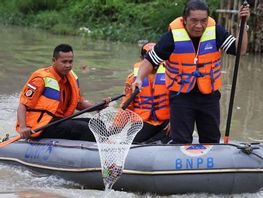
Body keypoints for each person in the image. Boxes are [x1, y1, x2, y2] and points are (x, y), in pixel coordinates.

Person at [132, 0, 251, 144]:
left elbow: (240, 50)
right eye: (194, 21)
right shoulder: (171, 37)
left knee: (211, 140)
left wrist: (243, 25)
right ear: (184, 20)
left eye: (203, 21)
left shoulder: (215, 31)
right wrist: (139, 79)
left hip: (209, 97)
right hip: (181, 97)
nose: (199, 26)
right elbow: (150, 61)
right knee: (181, 140)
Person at [16, 44, 111, 142]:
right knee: (85, 129)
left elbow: (79, 104)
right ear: (54, 61)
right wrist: (23, 128)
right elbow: (23, 105)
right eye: (64, 62)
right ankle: (97, 152)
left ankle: (108, 146)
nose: (68, 65)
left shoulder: (72, 78)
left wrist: (99, 106)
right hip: (42, 126)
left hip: (60, 122)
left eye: (70, 62)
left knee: (96, 123)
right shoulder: (41, 79)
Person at [121, 42, 171, 144]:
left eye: (157, 57)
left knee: (177, 131)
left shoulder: (171, 76)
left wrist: (175, 121)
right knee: (129, 142)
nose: (154, 62)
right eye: (149, 58)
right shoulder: (132, 79)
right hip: (142, 123)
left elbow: (180, 102)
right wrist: (115, 129)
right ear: (141, 58)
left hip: (165, 122)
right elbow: (126, 106)